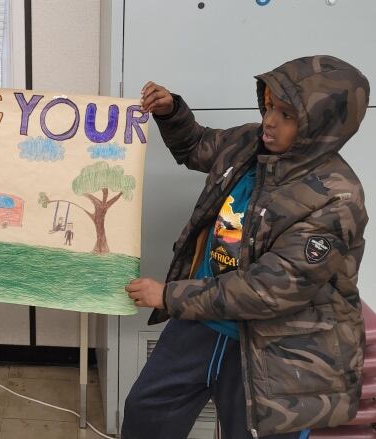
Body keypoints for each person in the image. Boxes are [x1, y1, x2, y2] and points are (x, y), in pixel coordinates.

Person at [122, 55, 369, 438]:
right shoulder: (248, 142)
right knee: (146, 415)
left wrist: (169, 296)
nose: (269, 120)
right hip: (201, 323)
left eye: (286, 115)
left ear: (320, 128)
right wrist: (171, 113)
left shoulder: (337, 198)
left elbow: (270, 288)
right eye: (269, 106)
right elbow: (199, 146)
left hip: (278, 348)